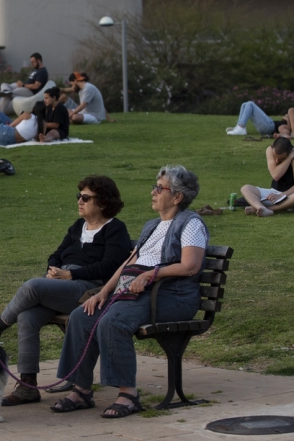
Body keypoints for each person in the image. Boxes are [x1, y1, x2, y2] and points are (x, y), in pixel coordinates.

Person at [52, 165, 207, 418]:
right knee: (82, 316)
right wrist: (103, 292)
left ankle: (128, 395)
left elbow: (191, 266)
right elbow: (128, 263)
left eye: (160, 187)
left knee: (113, 321)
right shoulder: (152, 225)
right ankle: (81, 390)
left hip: (172, 296)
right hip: (136, 293)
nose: (153, 191)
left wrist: (151, 274)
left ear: (177, 196)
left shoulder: (191, 224)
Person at [0, 176, 131, 406]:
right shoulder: (77, 226)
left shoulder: (115, 229)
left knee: (33, 286)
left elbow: (110, 266)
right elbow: (57, 253)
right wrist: (52, 270)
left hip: (89, 289)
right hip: (64, 284)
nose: (79, 201)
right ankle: (28, 387)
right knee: (27, 316)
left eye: (86, 197)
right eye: (79, 196)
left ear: (103, 202)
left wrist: (72, 274)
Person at [240, 137, 294, 217]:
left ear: (289, 152)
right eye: (275, 157)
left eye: (281, 159)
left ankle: (269, 209)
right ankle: (260, 207)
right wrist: (290, 157)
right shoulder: (270, 150)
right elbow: (276, 175)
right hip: (275, 194)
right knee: (246, 188)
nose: (277, 161)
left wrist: (282, 195)